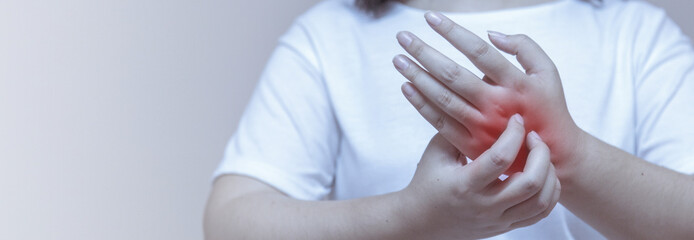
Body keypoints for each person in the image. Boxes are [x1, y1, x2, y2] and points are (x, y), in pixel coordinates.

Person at [204, 0, 694, 239]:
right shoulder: (327, 37)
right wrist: (413, 217)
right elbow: (230, 222)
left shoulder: (633, 33)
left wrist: (571, 158)